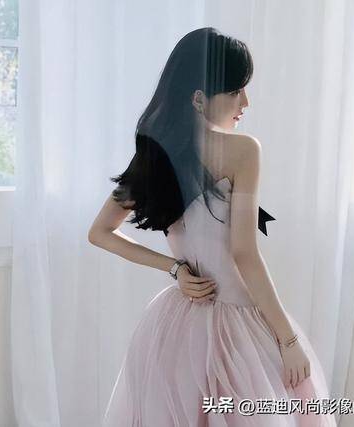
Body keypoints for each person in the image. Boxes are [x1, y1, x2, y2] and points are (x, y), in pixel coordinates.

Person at [88, 27, 337, 426]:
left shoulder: (154, 157)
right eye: (236, 91)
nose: (246, 102)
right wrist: (288, 339)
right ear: (199, 99)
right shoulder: (243, 150)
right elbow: (244, 255)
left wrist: (176, 269)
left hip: (176, 328)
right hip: (237, 326)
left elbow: (99, 232)